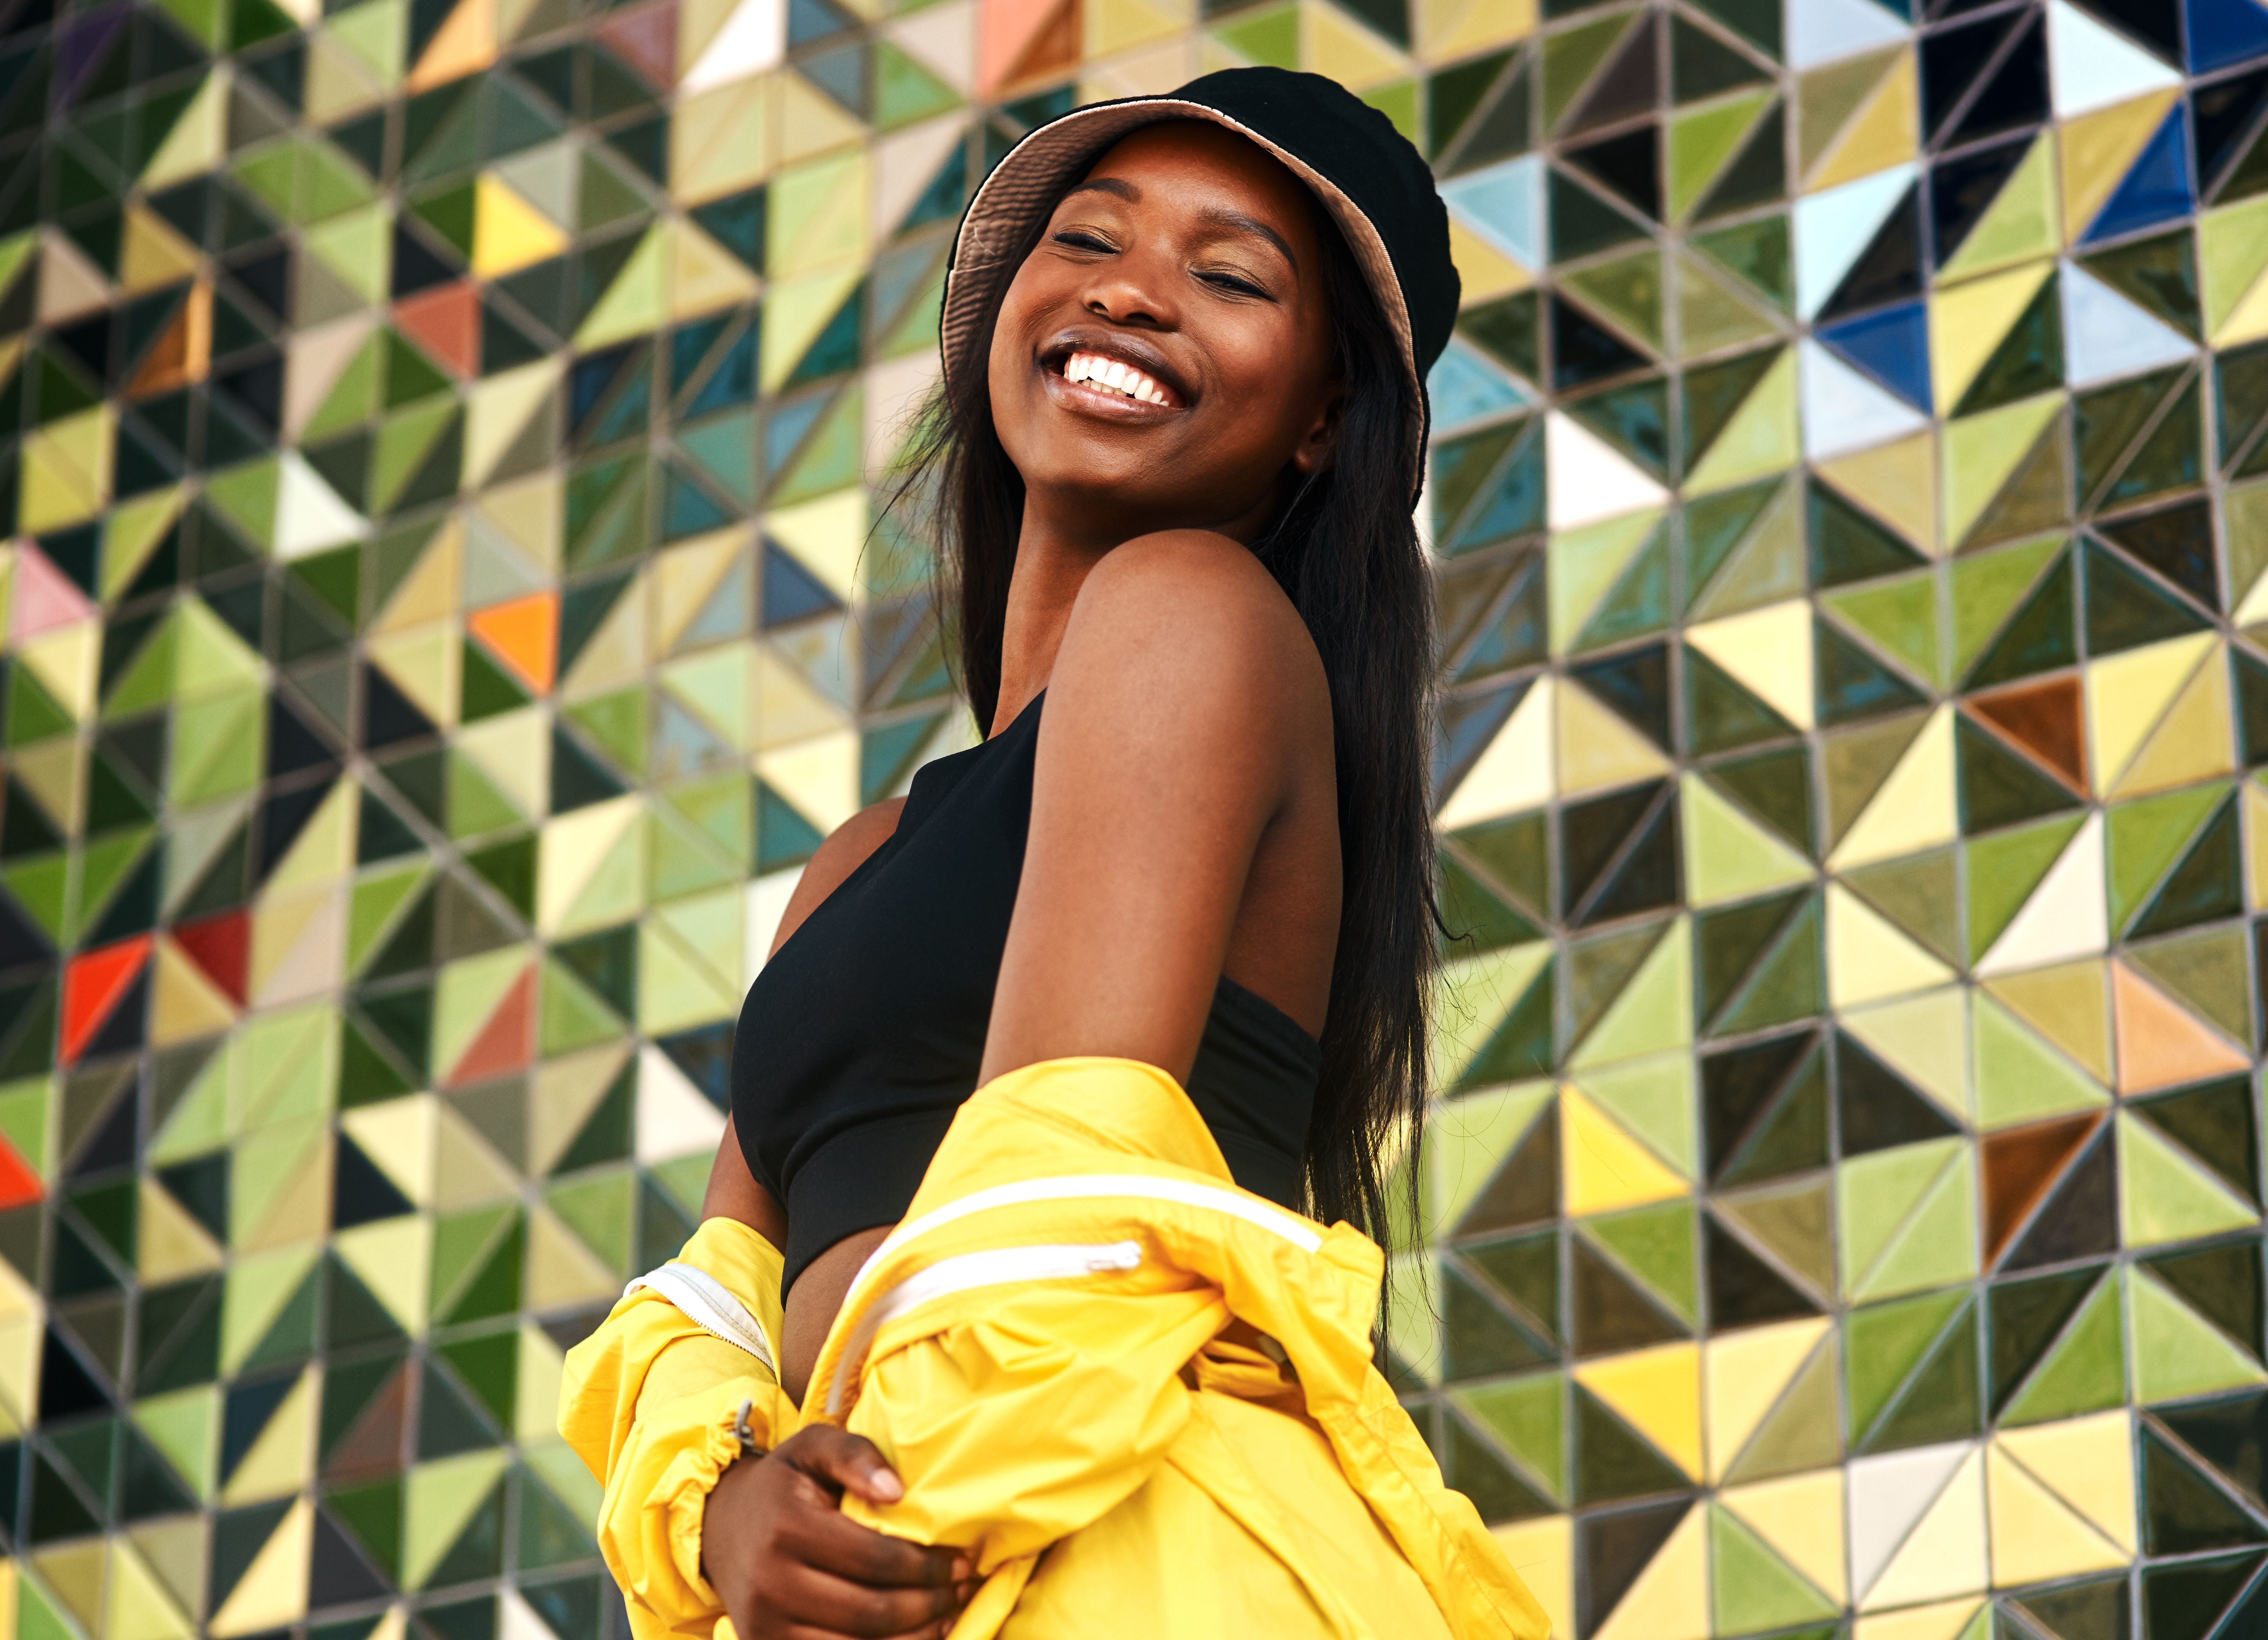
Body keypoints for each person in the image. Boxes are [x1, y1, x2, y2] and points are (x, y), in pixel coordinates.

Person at [559, 68, 1548, 1640]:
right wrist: (727, 1495)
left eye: (1227, 277)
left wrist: (851, 1519)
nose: (1135, 294)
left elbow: (1041, 1220)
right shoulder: (859, 857)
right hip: (906, 1545)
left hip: (1105, 1542)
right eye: (1088, 240)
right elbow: (708, 1303)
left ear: (1321, 420)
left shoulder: (1191, 610)